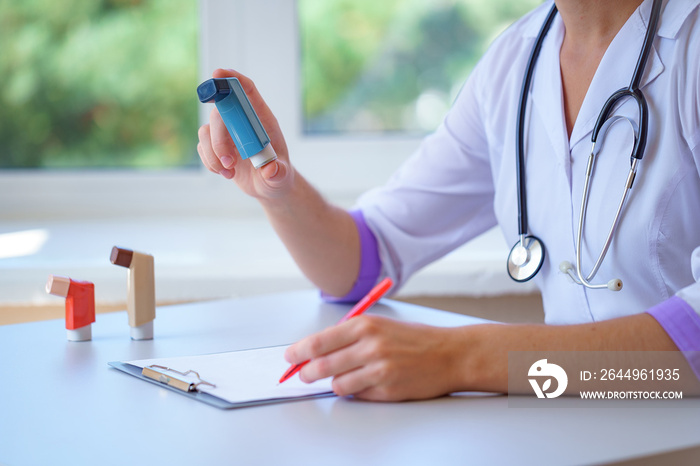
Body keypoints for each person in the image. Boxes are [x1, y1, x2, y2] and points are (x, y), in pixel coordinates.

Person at [197, 0, 700, 401]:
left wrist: (461, 358)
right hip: (569, 422)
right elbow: (360, 261)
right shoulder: (517, 62)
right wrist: (279, 191)